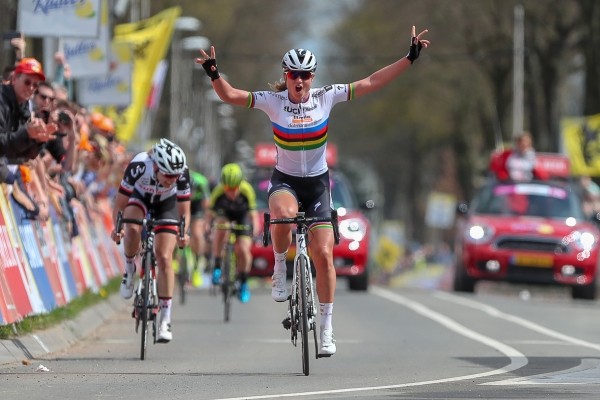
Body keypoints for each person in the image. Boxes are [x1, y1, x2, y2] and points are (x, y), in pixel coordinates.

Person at [195, 25, 430, 356]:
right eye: (294, 75)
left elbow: (371, 82)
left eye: (305, 75)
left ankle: (327, 328)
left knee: (323, 254)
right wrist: (214, 74)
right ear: (286, 75)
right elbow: (232, 95)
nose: (300, 81)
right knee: (282, 214)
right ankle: (280, 267)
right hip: (286, 182)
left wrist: (409, 58)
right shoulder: (273, 102)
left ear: (313, 76)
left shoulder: (326, 97)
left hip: (319, 185)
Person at [110, 138, 191, 343]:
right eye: (168, 175)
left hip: (166, 205)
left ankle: (165, 319)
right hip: (140, 199)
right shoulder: (138, 165)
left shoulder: (182, 173)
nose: (173, 180)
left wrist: (183, 233)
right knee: (133, 228)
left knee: (164, 257)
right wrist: (117, 228)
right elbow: (120, 204)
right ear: (155, 166)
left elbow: (184, 210)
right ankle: (129, 270)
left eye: (176, 176)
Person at [205, 163, 259, 303]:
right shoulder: (218, 191)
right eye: (228, 189)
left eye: (234, 189)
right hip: (225, 215)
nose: (231, 193)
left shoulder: (247, 190)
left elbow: (253, 215)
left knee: (243, 250)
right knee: (222, 228)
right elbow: (210, 214)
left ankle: (243, 282)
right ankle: (217, 266)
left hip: (242, 216)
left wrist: (256, 229)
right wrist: (208, 226)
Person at [188, 169, 212, 286]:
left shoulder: (201, 182)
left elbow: (207, 205)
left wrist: (206, 222)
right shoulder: (176, 180)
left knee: (197, 233)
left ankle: (198, 263)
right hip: (180, 202)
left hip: (197, 206)